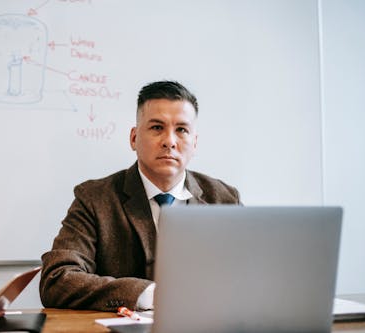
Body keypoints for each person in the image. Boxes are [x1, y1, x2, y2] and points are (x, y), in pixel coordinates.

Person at [39, 80, 240, 312]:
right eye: (157, 127)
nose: (169, 141)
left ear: (194, 143)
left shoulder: (224, 199)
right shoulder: (94, 198)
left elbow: (248, 277)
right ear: (134, 138)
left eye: (181, 130)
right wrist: (148, 295)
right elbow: (57, 279)